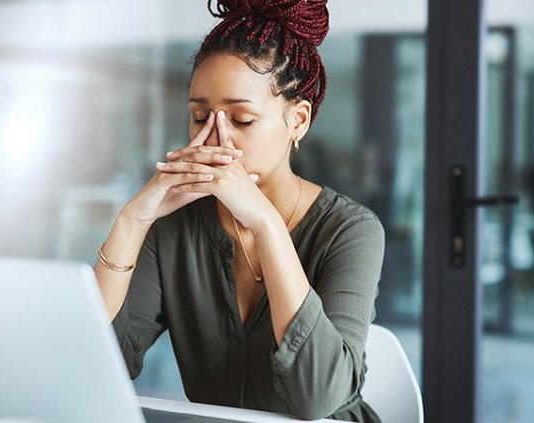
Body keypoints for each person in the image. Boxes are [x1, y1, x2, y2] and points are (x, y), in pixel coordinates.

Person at [92, 1, 385, 421]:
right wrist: (132, 221)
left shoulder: (350, 230)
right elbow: (100, 364)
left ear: (298, 121)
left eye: (243, 119)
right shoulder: (174, 226)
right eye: (198, 117)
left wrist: (265, 223)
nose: (216, 139)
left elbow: (318, 397)